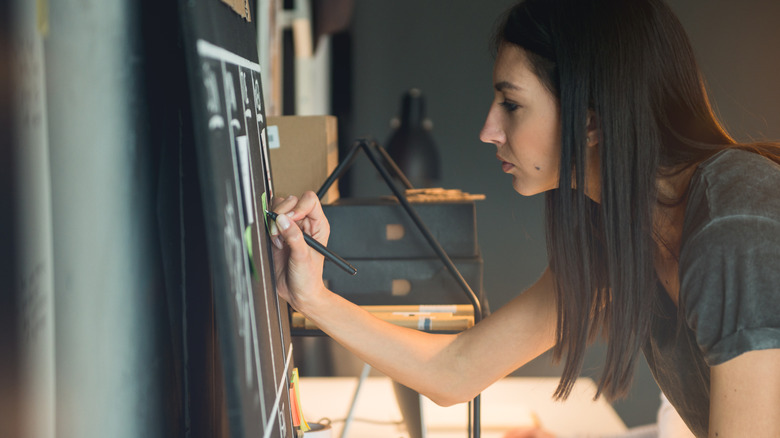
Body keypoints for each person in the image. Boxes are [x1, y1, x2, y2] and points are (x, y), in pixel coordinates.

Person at [267, 0, 780, 436]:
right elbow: (456, 370)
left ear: (591, 120)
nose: (489, 129)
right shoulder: (620, 234)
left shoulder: (734, 229)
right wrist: (312, 294)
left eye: (510, 104)